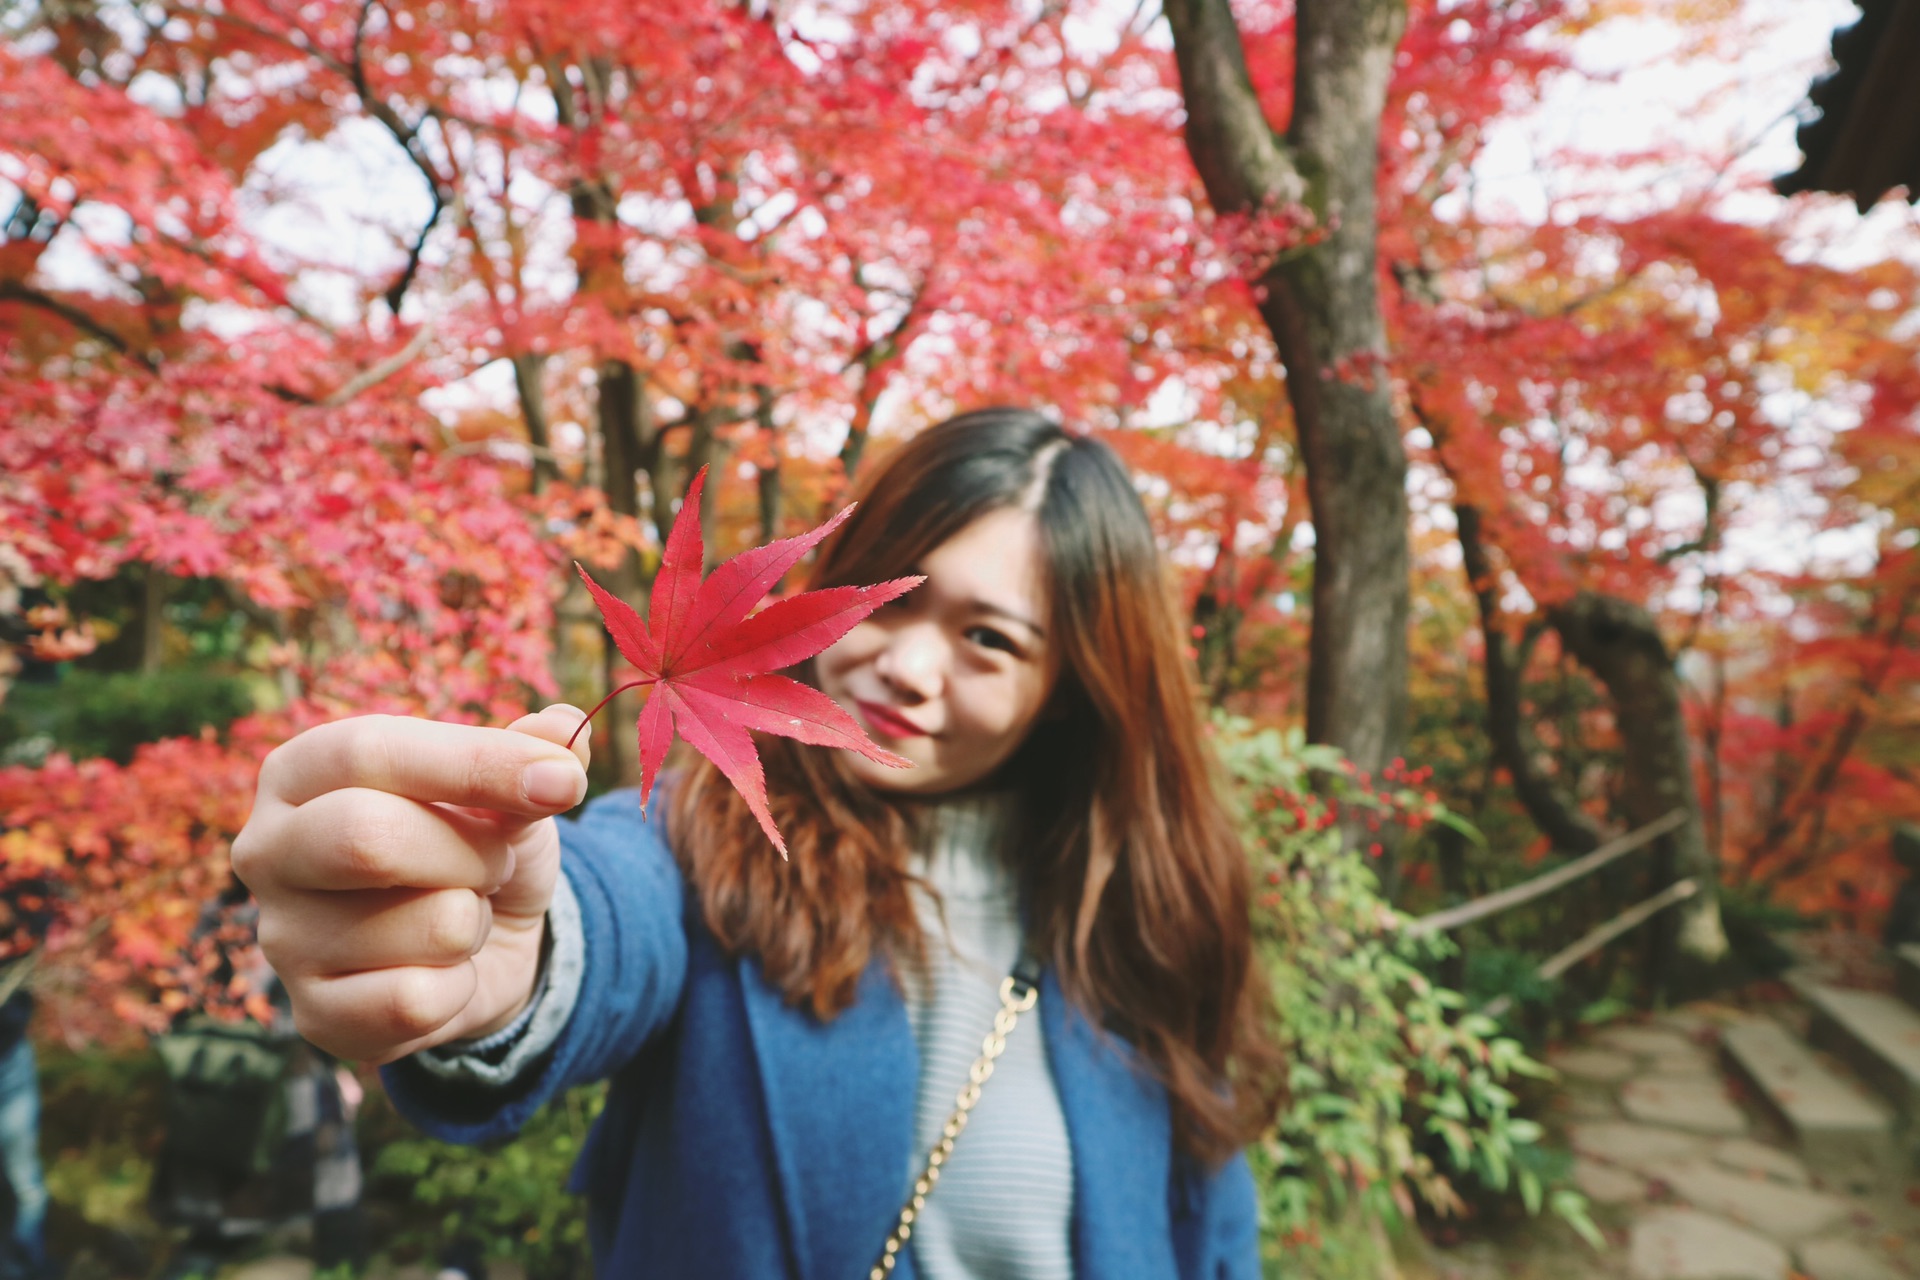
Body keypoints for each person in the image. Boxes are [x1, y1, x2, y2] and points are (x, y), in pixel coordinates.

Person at [231, 408, 1286, 1279]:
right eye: (888, 590)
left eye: (988, 638)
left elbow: (1213, 1238)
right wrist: (502, 957)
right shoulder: (707, 834)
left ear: (1071, 690)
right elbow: (604, 911)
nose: (908, 664)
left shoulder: (1142, 926)